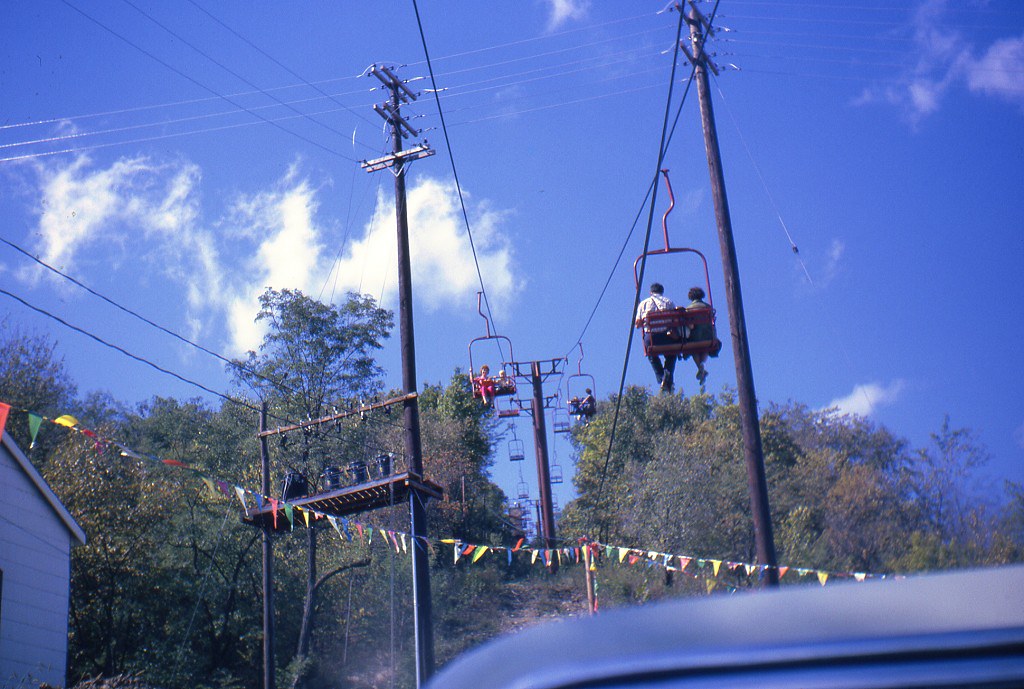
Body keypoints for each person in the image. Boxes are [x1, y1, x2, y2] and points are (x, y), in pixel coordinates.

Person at [635, 282, 680, 393]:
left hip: (651, 339)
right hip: (666, 337)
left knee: (652, 355)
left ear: (651, 292)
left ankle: (662, 379)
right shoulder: (669, 302)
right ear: (662, 292)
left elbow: (637, 324)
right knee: (671, 355)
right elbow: (675, 320)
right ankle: (667, 379)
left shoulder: (644, 304)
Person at [684, 286, 713, 386]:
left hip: (694, 338)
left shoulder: (688, 309)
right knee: (705, 347)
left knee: (693, 349)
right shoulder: (708, 307)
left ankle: (700, 367)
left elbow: (689, 325)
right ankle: (701, 365)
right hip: (707, 337)